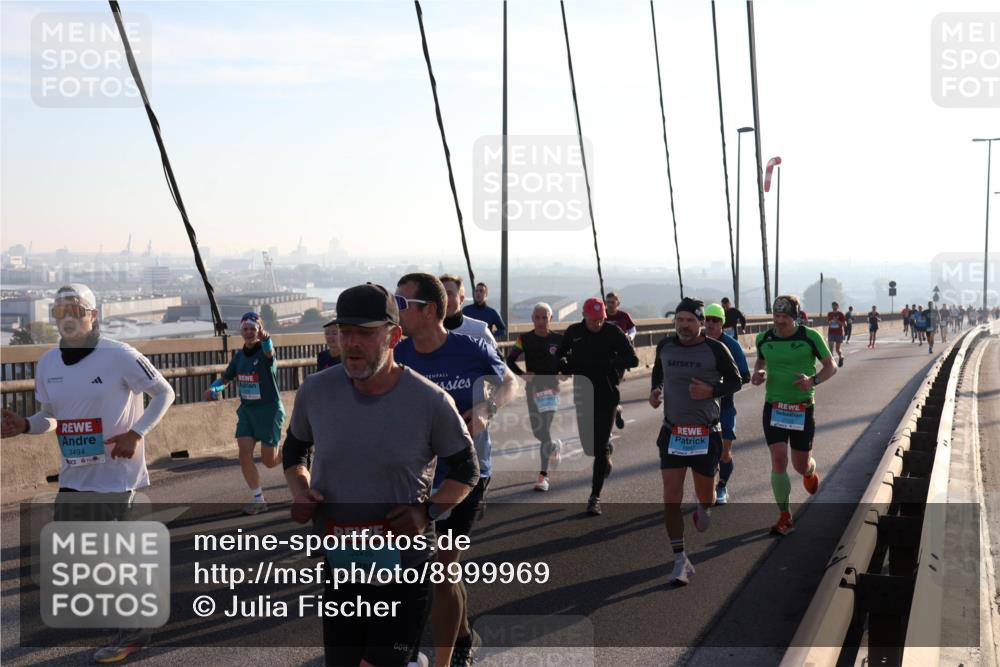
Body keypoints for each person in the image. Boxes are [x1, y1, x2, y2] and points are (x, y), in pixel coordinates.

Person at [282, 283, 480, 667]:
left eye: (365, 333)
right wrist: (301, 489)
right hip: (342, 564)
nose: (351, 344)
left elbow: (466, 468)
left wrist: (426, 512)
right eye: (345, 332)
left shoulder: (430, 401)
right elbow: (294, 449)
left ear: (393, 336)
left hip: (405, 565)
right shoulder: (315, 391)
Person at [1, 284, 175, 663]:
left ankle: (133, 633)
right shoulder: (47, 363)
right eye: (60, 310)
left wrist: (136, 432)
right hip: (75, 476)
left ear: (93, 315)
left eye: (76, 310)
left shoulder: (119, 355)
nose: (67, 317)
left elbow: (164, 393)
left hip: (117, 475)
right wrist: (24, 426)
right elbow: (49, 416)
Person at [394, 273, 516, 667]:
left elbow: (509, 383)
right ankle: (461, 633)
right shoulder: (399, 355)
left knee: (443, 567)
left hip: (466, 474)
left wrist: (485, 410)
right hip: (418, 477)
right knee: (419, 569)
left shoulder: (471, 346)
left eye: (402, 302)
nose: (396, 310)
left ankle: (449, 655)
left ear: (428, 312)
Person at [650, 298, 742, 585]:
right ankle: (680, 559)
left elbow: (737, 380)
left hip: (705, 434)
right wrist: (655, 390)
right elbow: (658, 370)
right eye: (680, 319)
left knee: (707, 499)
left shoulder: (716, 349)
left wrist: (712, 390)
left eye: (690, 320)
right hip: (673, 432)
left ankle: (704, 506)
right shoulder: (665, 346)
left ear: (701, 322)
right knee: (670, 497)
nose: (684, 325)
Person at [751, 295, 837, 536]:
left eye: (784, 318)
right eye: (776, 317)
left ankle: (809, 470)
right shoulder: (763, 338)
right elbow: (761, 360)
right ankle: (785, 515)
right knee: (779, 460)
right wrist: (758, 373)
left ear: (794, 317)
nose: (779, 322)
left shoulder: (810, 337)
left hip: (801, 408)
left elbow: (831, 366)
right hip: (774, 406)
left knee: (800, 465)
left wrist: (813, 380)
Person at [555, 297, 639, 516]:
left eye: (601, 320)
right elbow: (560, 355)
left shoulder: (613, 332)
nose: (597, 324)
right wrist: (563, 364)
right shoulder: (574, 332)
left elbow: (633, 360)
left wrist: (611, 362)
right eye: (593, 320)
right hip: (583, 393)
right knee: (589, 447)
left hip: (607, 393)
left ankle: (595, 497)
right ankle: (607, 450)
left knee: (599, 447)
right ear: (584, 316)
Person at [202, 312, 284, 516]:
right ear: (241, 331)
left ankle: (294, 451)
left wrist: (267, 340)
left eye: (253, 329)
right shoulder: (238, 357)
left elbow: (269, 352)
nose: (248, 332)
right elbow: (225, 379)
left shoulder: (265, 354)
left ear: (259, 331)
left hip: (269, 411)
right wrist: (214, 389)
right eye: (245, 329)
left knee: (270, 462)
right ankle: (259, 499)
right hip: (248, 411)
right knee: (243, 451)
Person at [506, 303, 564, 492]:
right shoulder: (524, 339)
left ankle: (542, 477)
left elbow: (570, 360)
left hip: (551, 390)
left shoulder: (559, 340)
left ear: (550, 319)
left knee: (544, 430)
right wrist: (523, 374)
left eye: (544, 318)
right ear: (532, 318)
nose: (540, 321)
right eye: (537, 317)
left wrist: (565, 372)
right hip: (532, 390)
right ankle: (553, 446)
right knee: (539, 433)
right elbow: (510, 359)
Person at [702, 303, 751, 505]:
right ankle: (705, 488)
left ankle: (721, 485)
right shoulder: (696, 343)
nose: (711, 323)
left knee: (723, 452)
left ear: (723, 323)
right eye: (708, 319)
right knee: (703, 453)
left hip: (725, 406)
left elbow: (745, 376)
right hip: (701, 409)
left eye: (716, 320)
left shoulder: (732, 345)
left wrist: (718, 387)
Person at [605, 292, 636, 430]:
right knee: (604, 387)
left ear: (618, 303)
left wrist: (629, 336)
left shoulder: (623, 316)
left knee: (612, 385)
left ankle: (614, 409)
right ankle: (615, 409)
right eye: (608, 302)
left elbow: (633, 329)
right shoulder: (602, 315)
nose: (610, 304)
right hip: (604, 357)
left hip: (620, 358)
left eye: (613, 302)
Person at [439, 274, 497, 348]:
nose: (444, 299)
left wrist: (494, 334)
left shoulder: (480, 331)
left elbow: (497, 357)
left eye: (449, 294)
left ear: (461, 299)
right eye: (441, 294)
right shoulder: (426, 332)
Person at [826, 302, 847, 367]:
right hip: (831, 333)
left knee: (837, 349)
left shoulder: (841, 314)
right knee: (830, 349)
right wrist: (830, 322)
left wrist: (837, 321)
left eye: (835, 306)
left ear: (838, 306)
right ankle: (832, 364)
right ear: (832, 307)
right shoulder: (830, 314)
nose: (834, 307)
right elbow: (828, 323)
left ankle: (841, 357)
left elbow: (845, 324)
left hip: (839, 333)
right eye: (833, 306)